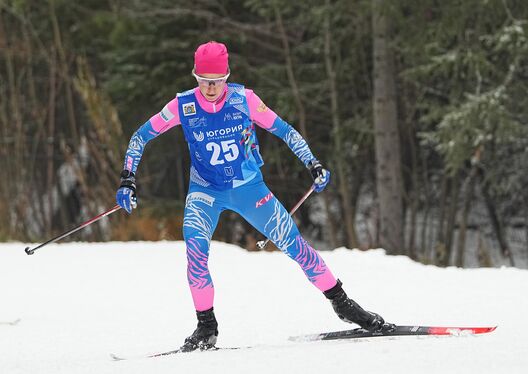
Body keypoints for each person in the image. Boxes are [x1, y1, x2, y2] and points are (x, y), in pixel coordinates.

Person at [116, 41, 389, 351]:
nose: (210, 87)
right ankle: (206, 326)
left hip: (249, 189)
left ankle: (343, 303)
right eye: (204, 80)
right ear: (195, 77)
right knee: (195, 251)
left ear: (227, 76)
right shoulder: (183, 106)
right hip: (205, 191)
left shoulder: (244, 100)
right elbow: (140, 136)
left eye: (217, 81)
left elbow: (285, 130)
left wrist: (313, 163)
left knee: (295, 245)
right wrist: (128, 178)